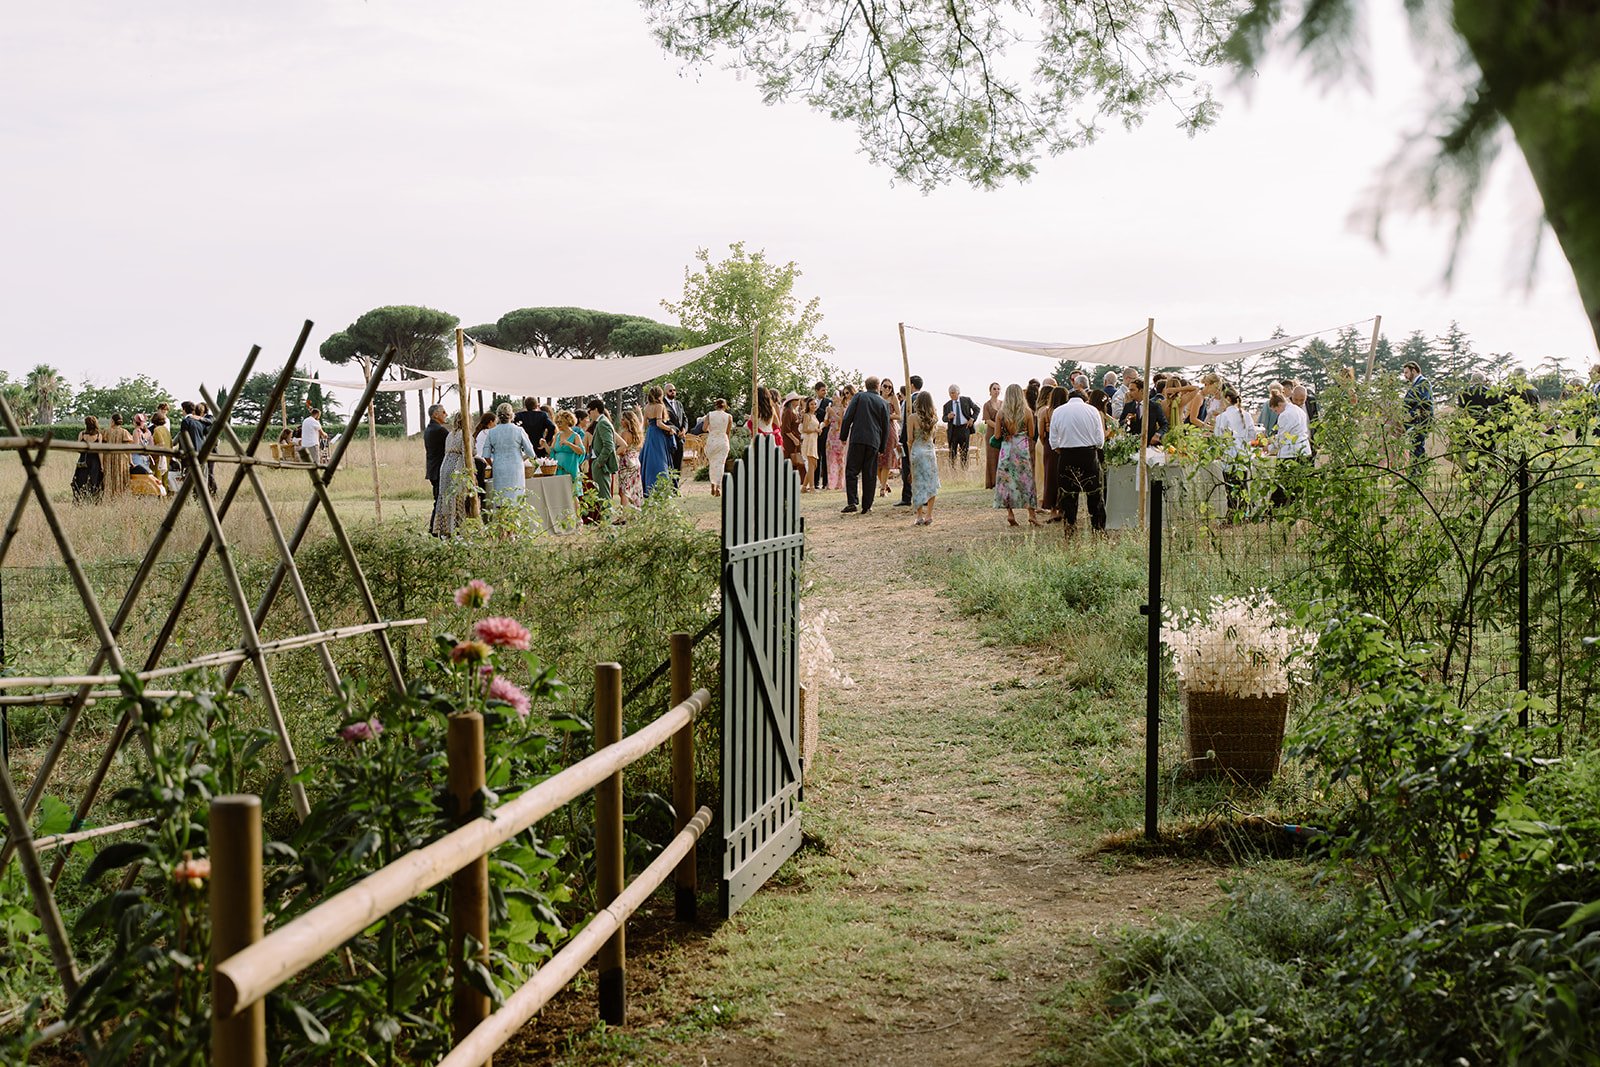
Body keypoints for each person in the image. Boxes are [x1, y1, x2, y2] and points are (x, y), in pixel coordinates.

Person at [1049, 386, 1107, 537]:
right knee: (1094, 495)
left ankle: (1070, 529)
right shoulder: (1092, 410)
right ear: (1085, 398)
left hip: (1067, 455)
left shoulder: (1058, 411)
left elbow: (1053, 441)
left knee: (1068, 496)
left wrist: (1062, 449)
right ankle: (1098, 529)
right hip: (1089, 455)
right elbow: (1100, 440)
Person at [839, 375, 890, 514]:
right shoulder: (883, 403)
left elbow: (848, 417)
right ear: (878, 386)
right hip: (874, 440)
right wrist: (882, 447)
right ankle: (867, 505)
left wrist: (843, 435)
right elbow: (885, 427)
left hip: (858, 438)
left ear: (866, 385)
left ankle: (852, 502)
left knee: (852, 471)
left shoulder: (859, 396)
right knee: (870, 473)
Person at [993, 384, 1040, 526]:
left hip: (1006, 449)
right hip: (1021, 448)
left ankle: (1010, 513)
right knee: (1026, 481)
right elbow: (1032, 434)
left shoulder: (1001, 413)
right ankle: (1031, 514)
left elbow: (997, 435)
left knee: (1006, 481)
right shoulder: (1027, 412)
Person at [484, 402, 541, 505]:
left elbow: (486, 455)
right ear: (511, 415)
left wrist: (493, 464)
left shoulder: (492, 432)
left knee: (500, 499)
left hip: (499, 467)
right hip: (516, 467)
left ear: (498, 416)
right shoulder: (519, 430)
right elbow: (531, 453)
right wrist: (521, 458)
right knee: (516, 498)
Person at [1213, 386, 1258, 514]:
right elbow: (1252, 435)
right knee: (1243, 486)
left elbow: (1218, 437)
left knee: (1231, 488)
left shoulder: (1222, 417)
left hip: (1229, 456)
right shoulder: (1247, 415)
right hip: (1244, 454)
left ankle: (1232, 513)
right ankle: (1245, 513)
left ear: (1227, 399)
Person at [431, 411, 471, 537]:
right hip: (457, 466)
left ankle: (445, 530)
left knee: (446, 498)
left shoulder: (450, 435)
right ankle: (457, 529)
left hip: (445, 466)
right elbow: (467, 454)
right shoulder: (465, 434)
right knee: (457, 497)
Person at [908, 391, 941, 525]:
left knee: (918, 483)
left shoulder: (912, 418)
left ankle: (919, 516)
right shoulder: (934, 418)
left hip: (917, 451)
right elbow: (933, 438)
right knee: (931, 483)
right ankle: (929, 515)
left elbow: (910, 439)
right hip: (929, 452)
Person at [641, 385, 676, 497]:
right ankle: (661, 486)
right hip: (657, 434)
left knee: (649, 460)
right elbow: (659, 423)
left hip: (650, 434)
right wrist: (670, 429)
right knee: (660, 460)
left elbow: (645, 424)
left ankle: (648, 486)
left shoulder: (647, 407)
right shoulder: (659, 406)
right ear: (660, 395)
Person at [896, 375, 923, 506]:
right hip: (923, 438)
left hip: (909, 438)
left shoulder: (909, 400)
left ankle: (907, 497)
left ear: (911, 385)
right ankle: (923, 495)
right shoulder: (925, 399)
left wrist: (901, 439)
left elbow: (904, 421)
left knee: (907, 467)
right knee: (921, 467)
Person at [1036, 385, 1062, 521]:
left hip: (1049, 444)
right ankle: (1062, 508)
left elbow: (1040, 433)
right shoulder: (1064, 412)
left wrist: (1046, 441)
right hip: (1064, 445)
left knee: (1049, 477)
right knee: (1062, 477)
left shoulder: (1046, 412)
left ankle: (1052, 510)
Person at [586, 399, 618, 503]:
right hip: (598, 464)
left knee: (604, 498)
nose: (589, 414)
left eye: (589, 411)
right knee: (601, 498)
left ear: (595, 409)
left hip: (601, 466)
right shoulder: (601, 422)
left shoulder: (603, 423)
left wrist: (599, 462)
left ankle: (607, 514)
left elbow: (609, 445)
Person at [941, 383, 979, 469]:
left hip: (964, 429)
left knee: (964, 451)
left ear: (958, 392)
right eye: (950, 393)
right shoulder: (947, 405)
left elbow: (977, 409)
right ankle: (952, 470)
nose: (951, 395)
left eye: (953, 393)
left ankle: (964, 470)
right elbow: (943, 418)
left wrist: (972, 419)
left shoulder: (966, 400)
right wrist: (948, 417)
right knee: (952, 452)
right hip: (953, 430)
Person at [1401, 361, 1433, 460]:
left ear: (1414, 371)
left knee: (1417, 448)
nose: (1405, 376)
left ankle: (1418, 468)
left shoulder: (1423, 382)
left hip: (1420, 421)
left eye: (1406, 372)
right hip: (1414, 422)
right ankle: (1417, 467)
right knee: (1415, 447)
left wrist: (1410, 415)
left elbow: (1424, 402)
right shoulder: (1416, 384)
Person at [99, 412, 134, 498]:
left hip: (108, 458)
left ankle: (109, 496)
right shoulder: (124, 432)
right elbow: (128, 449)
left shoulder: (106, 432)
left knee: (109, 477)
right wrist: (131, 461)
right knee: (120, 477)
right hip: (121, 458)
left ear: (112, 421)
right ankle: (120, 496)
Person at [703, 398, 733, 495]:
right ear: (725, 406)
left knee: (712, 464)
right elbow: (728, 432)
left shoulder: (709, 415)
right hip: (723, 441)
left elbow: (704, 428)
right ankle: (718, 487)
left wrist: (711, 429)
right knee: (721, 464)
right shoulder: (729, 417)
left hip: (712, 441)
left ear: (715, 405)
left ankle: (713, 485)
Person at [72, 415, 104, 503]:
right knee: (94, 480)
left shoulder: (82, 434)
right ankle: (93, 500)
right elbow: (100, 451)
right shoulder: (98, 435)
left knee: (81, 480)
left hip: (83, 460)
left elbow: (78, 449)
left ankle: (80, 500)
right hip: (95, 461)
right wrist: (102, 465)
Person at [878, 379, 902, 499]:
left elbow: (899, 415)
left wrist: (887, 416)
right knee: (876, 461)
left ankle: (882, 489)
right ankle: (884, 483)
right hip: (877, 430)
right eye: (885, 386)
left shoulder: (893, 399)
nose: (887, 389)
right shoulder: (876, 398)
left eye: (890, 387)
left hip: (889, 430)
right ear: (880, 387)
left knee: (887, 459)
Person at [617, 408, 645, 507]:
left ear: (628, 421)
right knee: (635, 488)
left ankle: (624, 513)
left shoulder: (625, 433)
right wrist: (639, 412)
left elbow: (623, 450)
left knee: (624, 490)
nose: (621, 421)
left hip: (626, 462)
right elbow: (641, 422)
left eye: (623, 419)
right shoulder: (638, 433)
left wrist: (616, 452)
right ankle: (636, 509)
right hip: (636, 461)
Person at [424, 403, 449, 509]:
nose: (446, 414)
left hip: (432, 469)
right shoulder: (440, 430)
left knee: (438, 499)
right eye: (443, 412)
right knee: (440, 501)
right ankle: (435, 520)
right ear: (435, 415)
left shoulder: (428, 429)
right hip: (440, 470)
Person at [825, 385, 850, 490]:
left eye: (835, 395)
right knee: (830, 458)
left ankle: (840, 482)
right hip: (831, 433)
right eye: (833, 395)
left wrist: (832, 413)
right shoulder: (830, 407)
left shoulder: (842, 408)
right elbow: (826, 422)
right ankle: (831, 482)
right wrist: (827, 414)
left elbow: (842, 420)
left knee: (840, 458)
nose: (833, 397)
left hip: (839, 434)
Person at [980, 382, 1003, 489]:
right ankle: (992, 482)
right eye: (994, 389)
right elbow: (987, 420)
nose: (996, 391)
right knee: (992, 457)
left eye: (998, 389)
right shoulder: (987, 405)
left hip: (1002, 434)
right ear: (990, 391)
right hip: (991, 433)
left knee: (1001, 456)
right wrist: (998, 427)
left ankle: (1002, 481)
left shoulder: (1003, 404)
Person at [663, 382, 687, 480]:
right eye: (670, 390)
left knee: (678, 463)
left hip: (680, 438)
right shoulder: (662, 405)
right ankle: (669, 484)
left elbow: (684, 418)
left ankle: (676, 485)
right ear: (665, 392)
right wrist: (677, 431)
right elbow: (665, 421)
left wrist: (684, 430)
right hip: (669, 437)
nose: (673, 392)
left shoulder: (679, 404)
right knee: (670, 463)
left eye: (674, 390)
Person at [812, 381, 832, 488]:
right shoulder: (811, 401)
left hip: (825, 432)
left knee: (825, 457)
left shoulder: (829, 402)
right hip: (814, 433)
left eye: (826, 390)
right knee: (816, 458)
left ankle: (825, 482)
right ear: (817, 391)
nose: (825, 392)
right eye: (823, 390)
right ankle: (815, 482)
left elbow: (827, 415)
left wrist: (817, 409)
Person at [800, 398, 820, 492]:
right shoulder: (807, 416)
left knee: (814, 465)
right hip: (809, 440)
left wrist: (818, 430)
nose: (814, 406)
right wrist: (815, 430)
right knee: (811, 464)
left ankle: (804, 487)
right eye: (811, 404)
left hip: (814, 440)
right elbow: (805, 429)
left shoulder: (814, 416)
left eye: (815, 404)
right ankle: (812, 487)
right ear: (808, 405)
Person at [781, 393, 804, 473]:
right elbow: (786, 429)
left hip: (794, 442)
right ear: (791, 401)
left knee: (795, 462)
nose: (798, 401)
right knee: (790, 461)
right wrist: (794, 439)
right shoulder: (788, 411)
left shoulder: (794, 411)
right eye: (796, 399)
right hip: (789, 442)